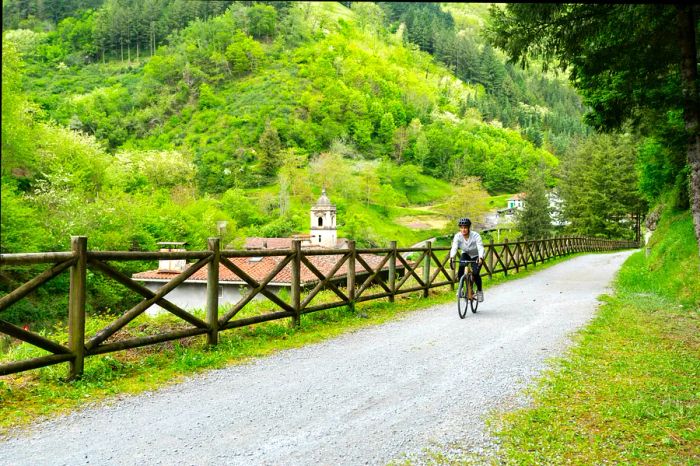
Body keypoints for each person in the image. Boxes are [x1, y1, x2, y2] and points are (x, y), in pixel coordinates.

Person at [449, 217, 485, 302]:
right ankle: (461, 288)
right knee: (461, 267)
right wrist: (451, 257)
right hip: (465, 253)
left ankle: (479, 291)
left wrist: (480, 258)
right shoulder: (457, 236)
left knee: (476, 273)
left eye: (465, 227)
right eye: (461, 227)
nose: (463, 229)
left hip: (476, 255)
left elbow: (480, 247)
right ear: (459, 228)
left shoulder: (476, 235)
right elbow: (454, 247)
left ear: (469, 228)